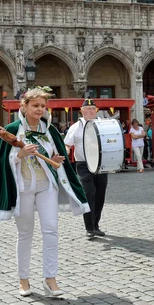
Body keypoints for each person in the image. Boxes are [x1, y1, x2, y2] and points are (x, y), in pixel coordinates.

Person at [0, 87, 89, 297]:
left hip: (47, 186)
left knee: (51, 230)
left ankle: (50, 279)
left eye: (42, 106)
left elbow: (57, 154)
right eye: (35, 105)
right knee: (25, 233)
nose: (39, 110)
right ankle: (23, 280)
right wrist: (19, 154)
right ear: (25, 106)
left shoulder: (50, 131)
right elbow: (1, 161)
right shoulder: (12, 129)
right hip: (24, 188)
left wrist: (56, 161)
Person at [64, 97, 110, 239]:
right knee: (89, 193)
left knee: (100, 194)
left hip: (100, 164)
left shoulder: (102, 125)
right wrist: (63, 157)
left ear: (96, 111)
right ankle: (89, 228)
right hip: (83, 164)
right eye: (87, 109)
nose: (90, 111)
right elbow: (67, 144)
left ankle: (96, 225)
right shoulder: (76, 127)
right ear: (82, 111)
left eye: (92, 109)